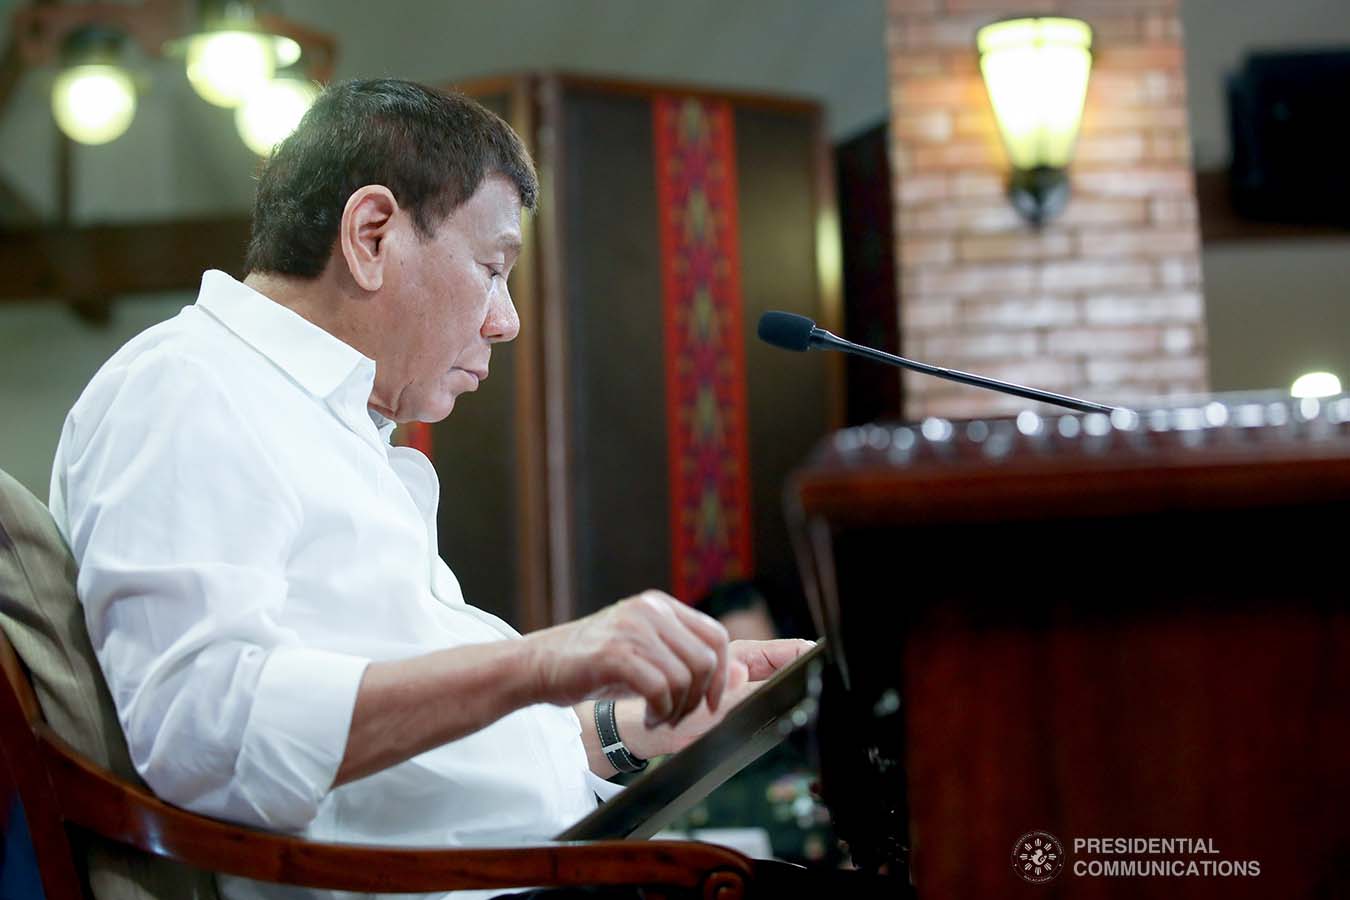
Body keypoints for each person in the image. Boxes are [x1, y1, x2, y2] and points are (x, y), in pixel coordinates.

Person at [48, 79, 811, 900]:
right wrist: (539, 662)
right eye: (492, 267)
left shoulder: (323, 422)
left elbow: (412, 768)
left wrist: (641, 726)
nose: (506, 320)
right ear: (372, 233)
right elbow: (204, 734)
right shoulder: (190, 388)